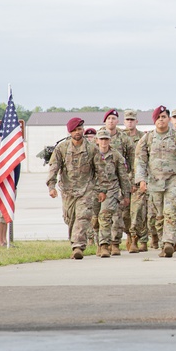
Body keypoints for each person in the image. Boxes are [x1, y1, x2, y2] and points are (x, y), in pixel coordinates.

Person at [135, 106, 176, 258]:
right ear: (154, 120)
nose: (161, 119)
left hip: (174, 181)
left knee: (170, 212)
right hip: (155, 182)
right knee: (159, 215)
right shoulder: (147, 139)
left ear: (168, 119)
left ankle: (169, 243)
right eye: (158, 117)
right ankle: (164, 244)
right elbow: (140, 161)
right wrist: (141, 180)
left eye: (163, 116)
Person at [47, 117, 98, 259]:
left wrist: (102, 190)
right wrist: (51, 186)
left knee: (83, 217)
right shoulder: (61, 148)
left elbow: (100, 171)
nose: (77, 132)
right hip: (68, 191)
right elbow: (54, 168)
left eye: (80, 129)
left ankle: (78, 246)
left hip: (86, 189)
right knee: (70, 219)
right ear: (69, 131)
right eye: (74, 130)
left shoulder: (92, 148)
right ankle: (74, 242)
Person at [100, 109, 135, 255]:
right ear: (105, 121)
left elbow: (132, 159)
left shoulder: (124, 138)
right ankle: (101, 243)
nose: (111, 121)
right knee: (100, 216)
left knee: (117, 214)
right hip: (99, 184)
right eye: (108, 118)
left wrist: (131, 180)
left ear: (117, 121)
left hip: (118, 182)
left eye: (114, 118)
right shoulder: (99, 136)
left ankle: (115, 243)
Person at [92, 128, 131, 258]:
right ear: (97, 140)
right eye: (101, 139)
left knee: (105, 216)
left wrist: (126, 194)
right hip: (94, 190)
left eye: (106, 139)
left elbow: (123, 176)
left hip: (111, 189)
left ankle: (105, 245)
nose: (104, 141)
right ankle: (99, 244)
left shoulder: (115, 155)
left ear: (110, 140)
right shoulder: (91, 154)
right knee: (94, 219)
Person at [120, 109, 148, 252]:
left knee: (138, 211)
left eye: (132, 120)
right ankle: (130, 236)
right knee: (124, 214)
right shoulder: (120, 137)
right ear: (124, 122)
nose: (130, 122)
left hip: (138, 181)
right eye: (127, 120)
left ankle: (139, 239)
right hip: (123, 182)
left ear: (136, 121)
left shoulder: (143, 137)